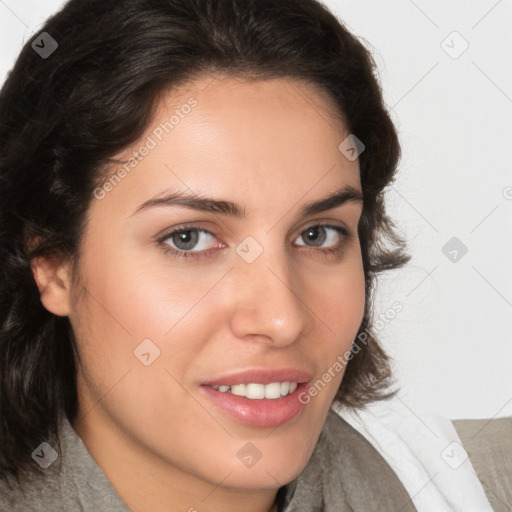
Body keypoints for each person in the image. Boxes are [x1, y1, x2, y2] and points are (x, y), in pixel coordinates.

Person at [0, 0, 509, 511]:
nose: (282, 318)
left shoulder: (481, 487)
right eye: (189, 239)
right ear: (52, 263)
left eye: (318, 235)